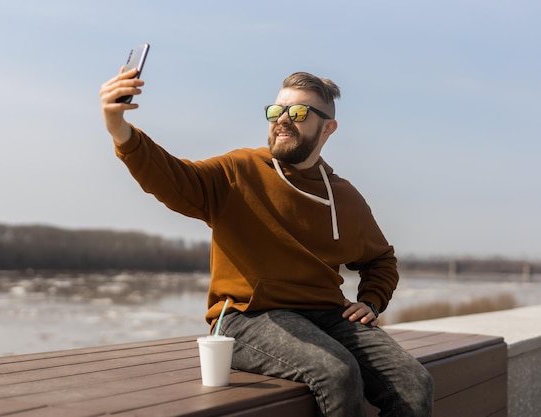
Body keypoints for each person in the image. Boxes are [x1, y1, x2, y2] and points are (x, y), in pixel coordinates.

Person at [100, 67, 434, 417]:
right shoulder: (239, 170)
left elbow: (381, 259)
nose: (283, 120)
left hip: (328, 315)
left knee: (413, 383)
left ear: (328, 128)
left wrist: (372, 301)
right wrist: (120, 131)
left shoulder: (344, 196)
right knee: (337, 373)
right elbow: (172, 178)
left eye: (299, 113)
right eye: (276, 112)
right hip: (247, 317)